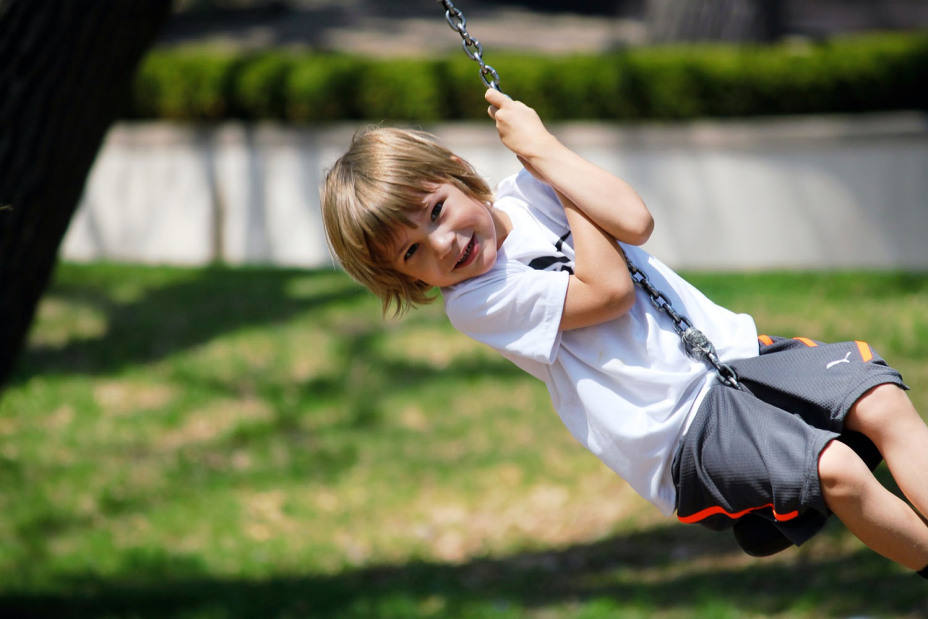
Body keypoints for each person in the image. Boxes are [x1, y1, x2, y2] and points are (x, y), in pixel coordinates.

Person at [321, 87, 928, 577]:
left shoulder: (531, 188)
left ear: (456, 172)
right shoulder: (478, 300)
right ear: (405, 279)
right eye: (413, 252)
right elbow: (607, 293)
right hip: (678, 431)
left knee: (881, 400)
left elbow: (635, 220)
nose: (444, 244)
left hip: (738, 356)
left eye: (436, 212)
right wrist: (557, 174)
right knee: (837, 470)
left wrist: (545, 152)